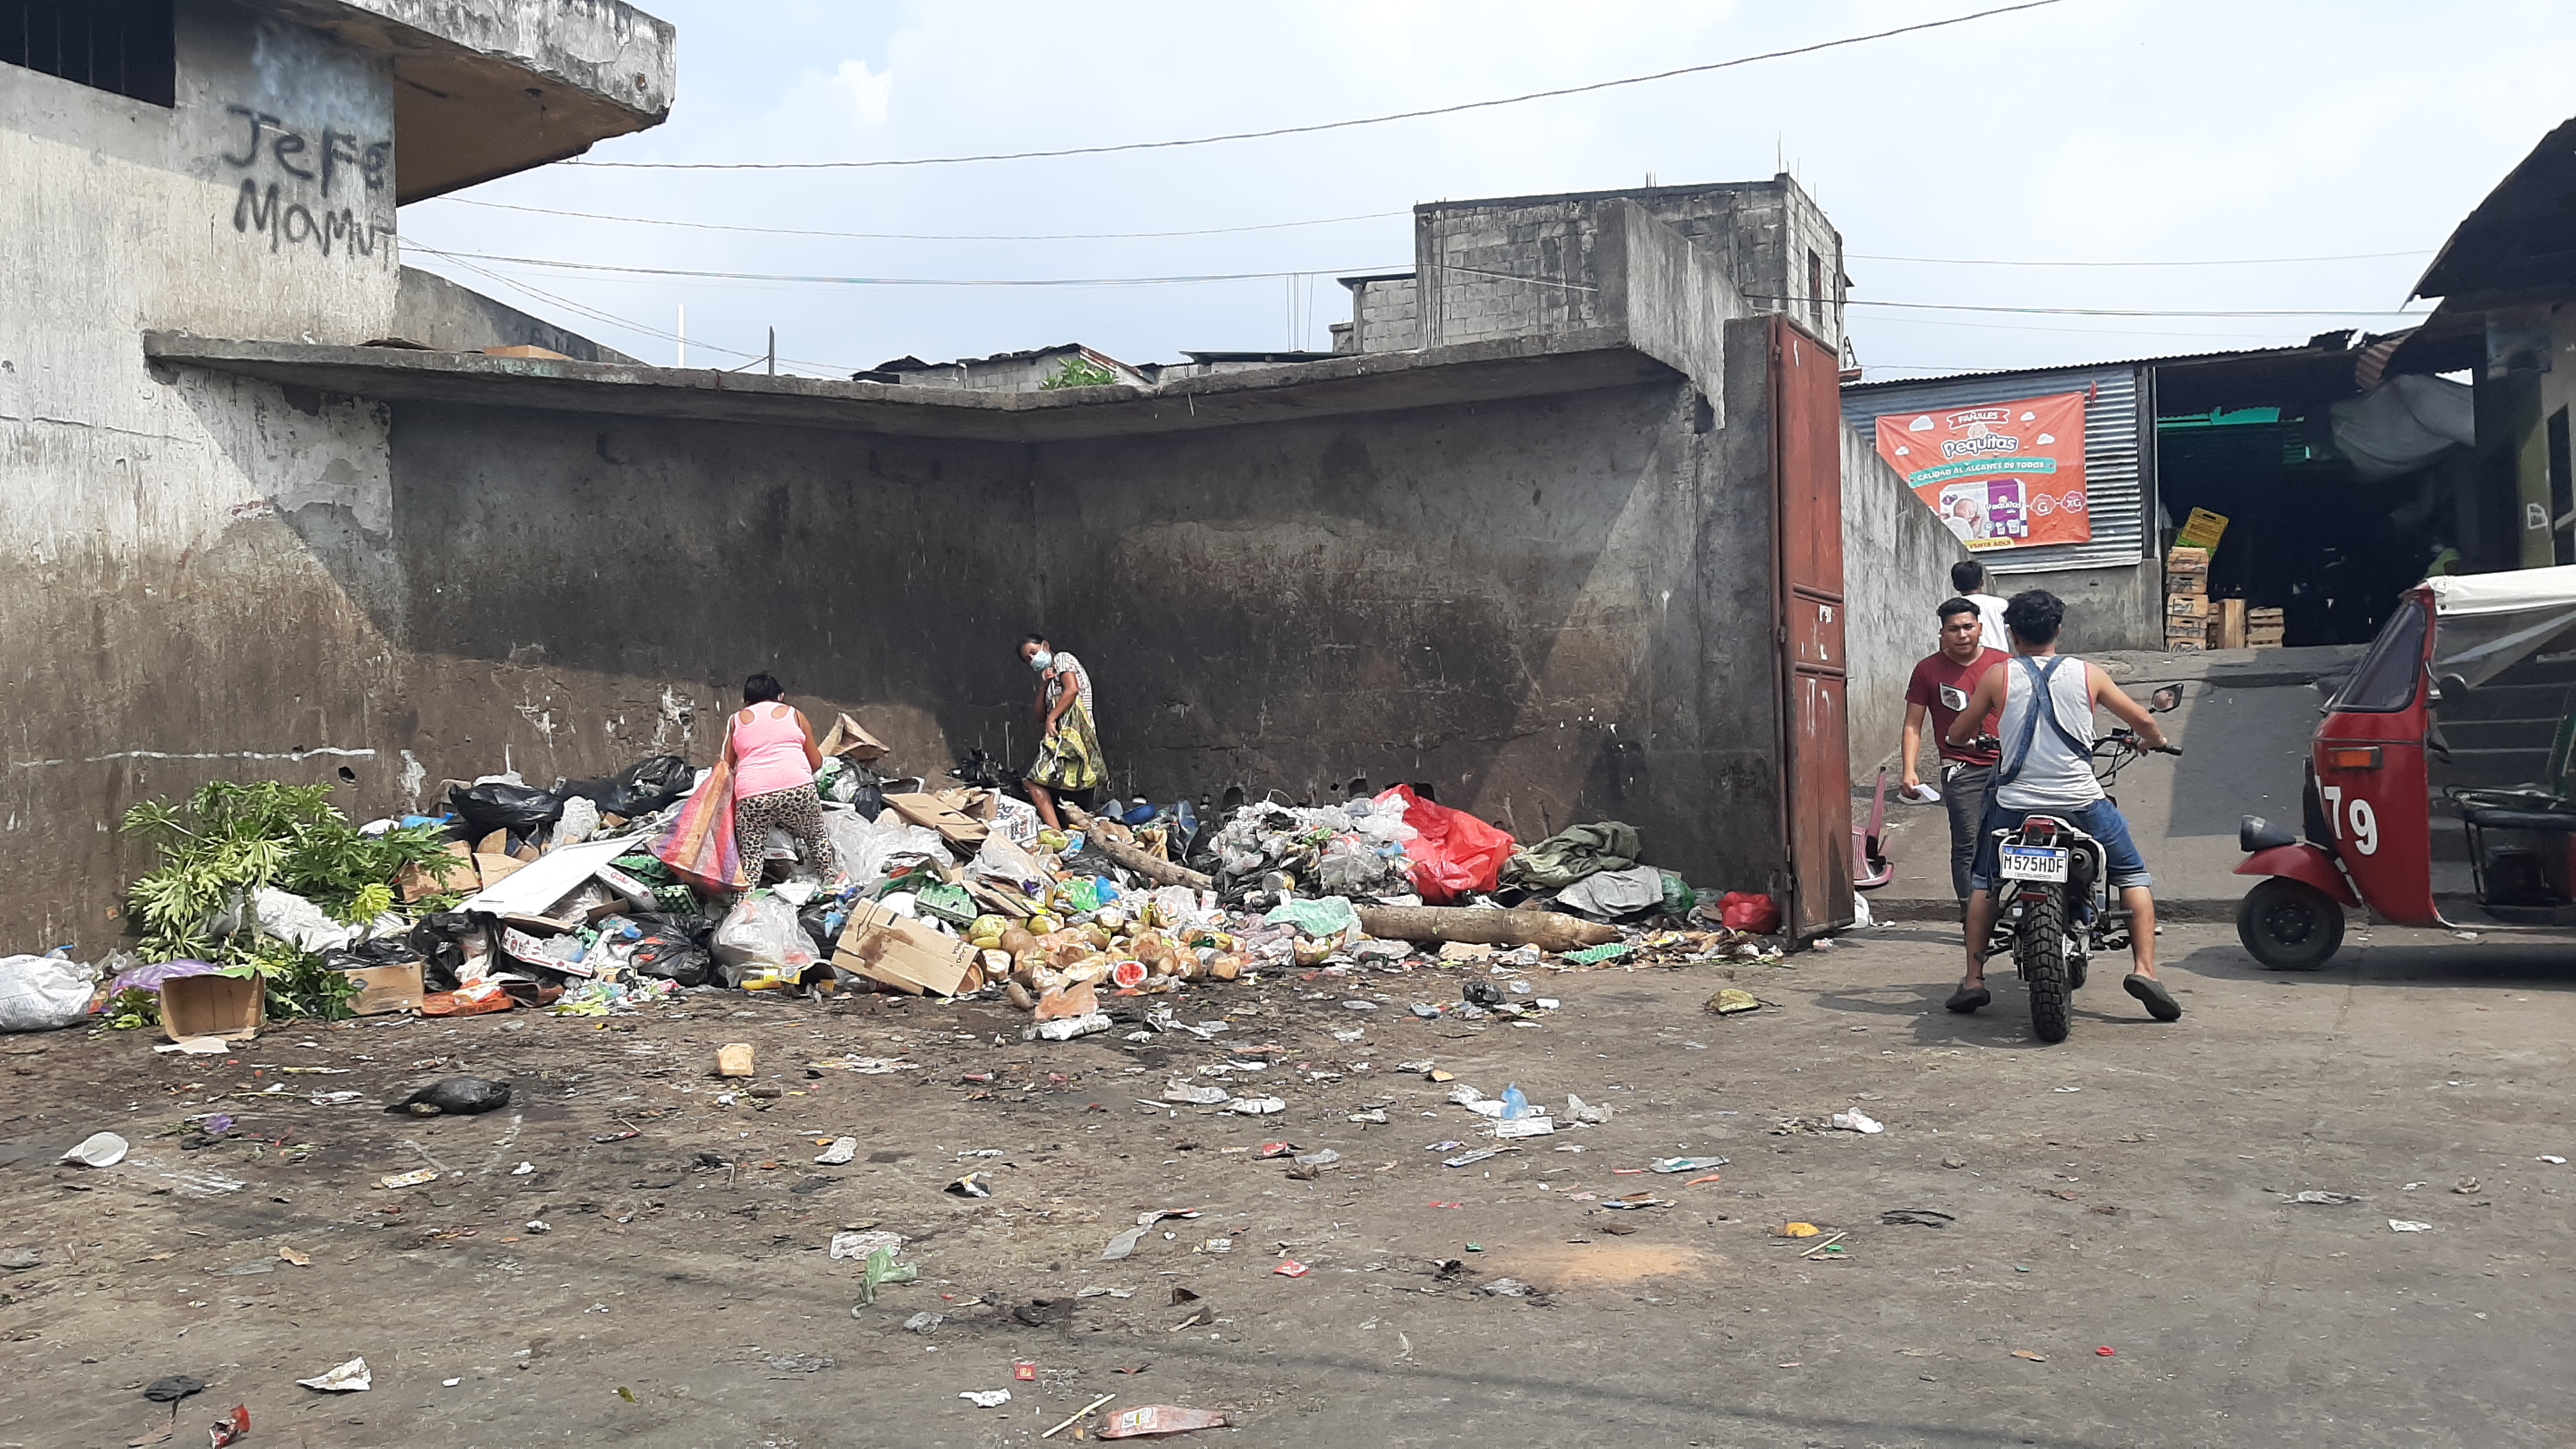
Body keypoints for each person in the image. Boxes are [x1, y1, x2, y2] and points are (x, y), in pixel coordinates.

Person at [1942, 590, 2182, 1023]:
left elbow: (1959, 732)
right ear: (2058, 630)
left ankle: (1974, 979)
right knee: (2132, 872)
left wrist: (1963, 741)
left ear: (2012, 634)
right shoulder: (2089, 674)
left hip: (2015, 804)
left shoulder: (1997, 677)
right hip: (2080, 802)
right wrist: (2156, 741)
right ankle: (2145, 970)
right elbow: (2144, 722)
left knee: (1985, 882)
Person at [1902, 599, 2008, 902]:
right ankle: (1971, 916)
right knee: (1967, 844)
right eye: (1953, 629)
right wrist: (1909, 770)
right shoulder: (1927, 670)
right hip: (1961, 768)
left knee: (2008, 841)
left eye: (1968, 627)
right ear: (1942, 634)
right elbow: (1913, 724)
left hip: (2009, 766)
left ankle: (2003, 906)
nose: (1962, 635)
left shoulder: (2003, 664)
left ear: (1980, 629)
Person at [724, 673, 836, 891]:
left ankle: (742, 905)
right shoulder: (795, 715)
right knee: (816, 837)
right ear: (781, 696)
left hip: (752, 796)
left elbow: (726, 767)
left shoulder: (736, 720)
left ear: (745, 701)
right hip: (797, 789)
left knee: (751, 857)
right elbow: (816, 762)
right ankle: (830, 884)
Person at [1020, 634, 1103, 831]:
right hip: (1061, 743)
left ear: (1046, 646)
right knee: (1048, 784)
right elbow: (1039, 716)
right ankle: (1062, 831)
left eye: (1033, 653)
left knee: (1034, 780)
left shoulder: (1063, 658)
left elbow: (1072, 689)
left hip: (1076, 739)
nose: (1033, 660)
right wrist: (1044, 685)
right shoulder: (1049, 676)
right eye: (1028, 660)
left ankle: (1057, 832)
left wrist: (1053, 718)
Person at [1952, 559, 2011, 654]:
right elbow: (2011, 635)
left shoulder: (1952, 609)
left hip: (1968, 661)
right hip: (2001, 659)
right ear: (1982, 582)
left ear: (1955, 585)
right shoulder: (2001, 604)